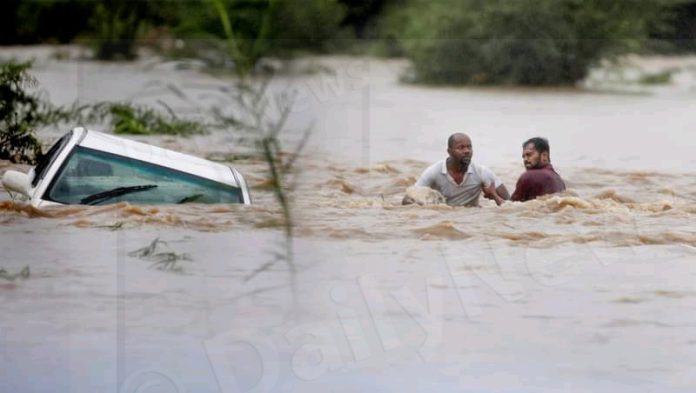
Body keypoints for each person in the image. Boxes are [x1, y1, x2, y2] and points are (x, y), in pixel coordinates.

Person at [403, 133, 509, 207]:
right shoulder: (434, 172)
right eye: (461, 148)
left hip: (471, 216)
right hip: (443, 218)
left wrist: (494, 195)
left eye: (469, 147)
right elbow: (407, 201)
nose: (467, 151)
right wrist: (427, 206)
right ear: (449, 151)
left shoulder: (481, 172)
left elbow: (510, 203)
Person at [510, 137, 566, 202]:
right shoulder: (559, 181)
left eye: (529, 155)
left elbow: (510, 206)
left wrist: (495, 194)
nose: (525, 159)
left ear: (544, 155)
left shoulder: (529, 176)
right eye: (524, 156)